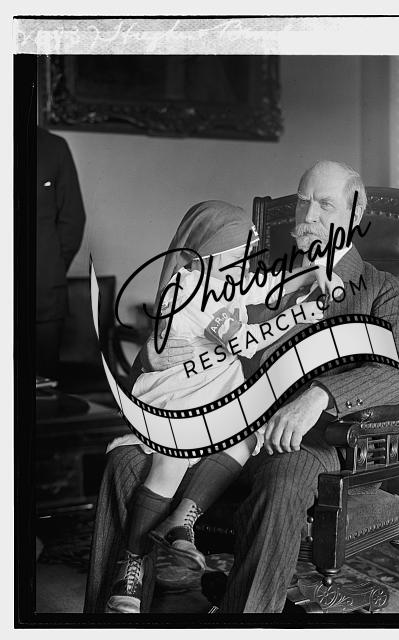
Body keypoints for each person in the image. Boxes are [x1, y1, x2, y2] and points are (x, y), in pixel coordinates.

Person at [84, 161, 399, 614]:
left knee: (283, 478)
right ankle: (115, 612)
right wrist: (160, 354)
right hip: (219, 422)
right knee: (125, 462)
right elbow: (185, 334)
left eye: (325, 204)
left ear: (355, 214)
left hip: (304, 440)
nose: (310, 215)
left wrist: (319, 397)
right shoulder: (249, 274)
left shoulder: (379, 288)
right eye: (303, 202)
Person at [104, 200, 340, 613]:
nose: (245, 268)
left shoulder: (220, 278)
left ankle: (181, 521)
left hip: (213, 389)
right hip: (182, 393)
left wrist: (311, 273)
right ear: (207, 254)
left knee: (244, 440)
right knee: (172, 461)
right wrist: (299, 314)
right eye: (237, 257)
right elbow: (246, 341)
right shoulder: (189, 292)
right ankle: (132, 563)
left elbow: (267, 286)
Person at [36, 126, 86, 380]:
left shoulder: (53, 147)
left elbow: (72, 221)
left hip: (42, 296)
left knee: (43, 389)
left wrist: (49, 267)